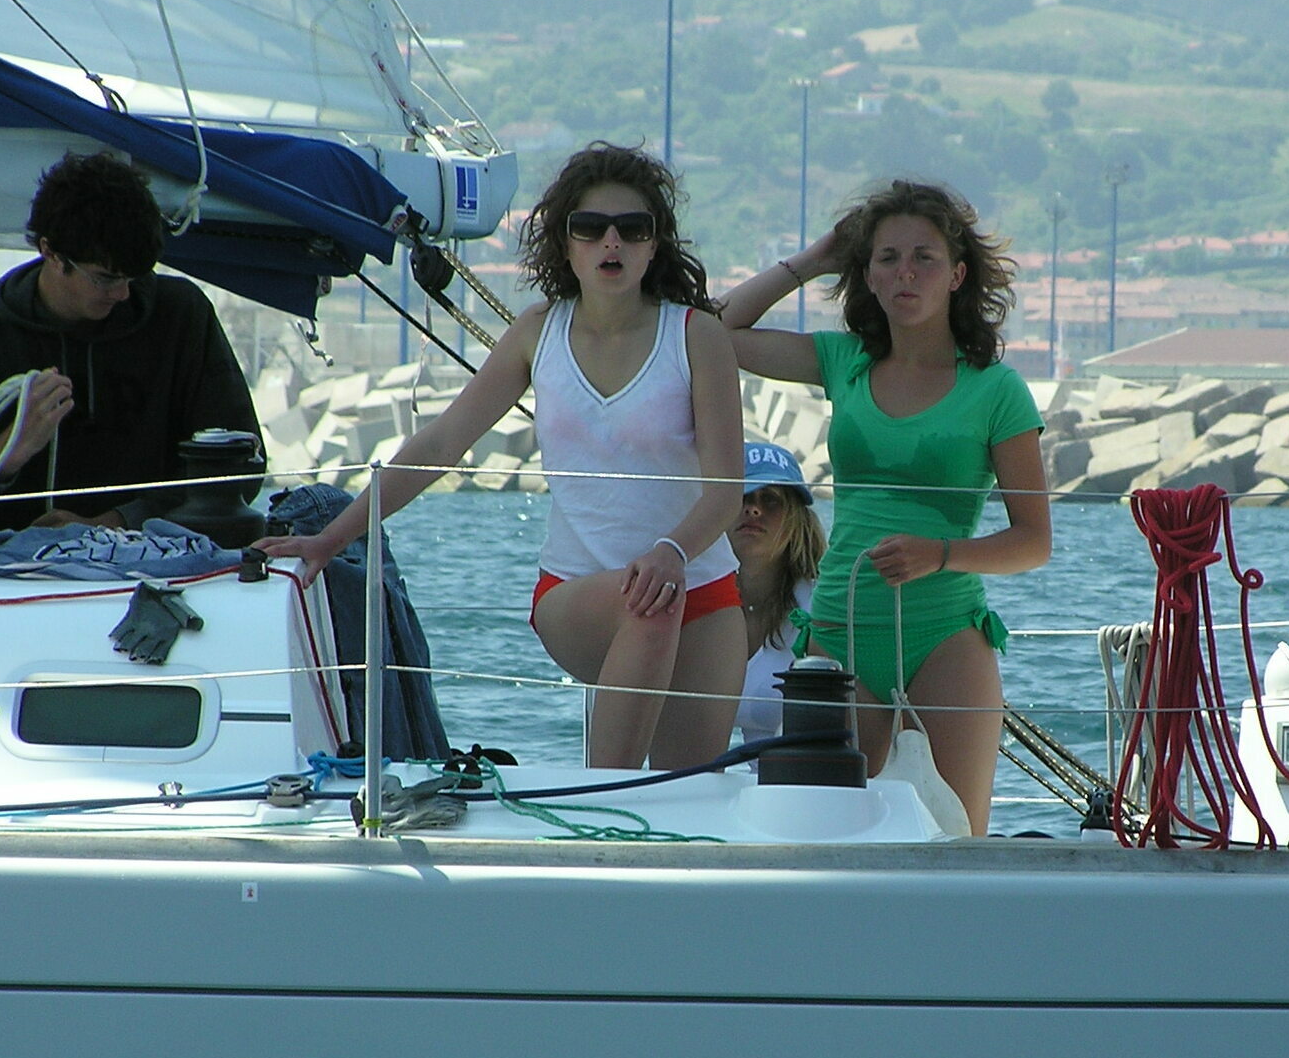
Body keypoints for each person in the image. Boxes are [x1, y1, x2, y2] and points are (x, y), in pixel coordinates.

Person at [258, 143, 744, 770]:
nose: (611, 242)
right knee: (648, 605)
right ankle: (601, 806)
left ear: (655, 245)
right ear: (565, 243)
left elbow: (726, 492)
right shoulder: (538, 334)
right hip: (578, 593)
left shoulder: (697, 336)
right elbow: (440, 444)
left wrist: (671, 552)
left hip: (700, 587)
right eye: (590, 227)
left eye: (633, 228)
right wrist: (331, 538)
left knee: (690, 794)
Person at [720, 181, 1051, 835]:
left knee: (955, 837)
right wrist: (813, 260)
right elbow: (715, 330)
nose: (906, 272)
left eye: (925, 257)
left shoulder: (997, 390)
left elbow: (1033, 541)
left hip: (944, 634)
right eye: (888, 257)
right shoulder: (842, 361)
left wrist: (941, 554)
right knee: (837, 837)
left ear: (957, 275)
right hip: (838, 626)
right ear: (867, 274)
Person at [0, 150, 259, 529]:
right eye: (105, 278)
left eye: (135, 276)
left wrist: (116, 522)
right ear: (50, 251)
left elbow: (241, 466)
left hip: (165, 556)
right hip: (22, 563)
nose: (123, 293)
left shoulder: (182, 316)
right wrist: (7, 451)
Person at [731, 440, 826, 742]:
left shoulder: (819, 609)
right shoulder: (690, 599)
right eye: (741, 496)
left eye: (770, 499)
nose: (753, 508)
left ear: (796, 519)